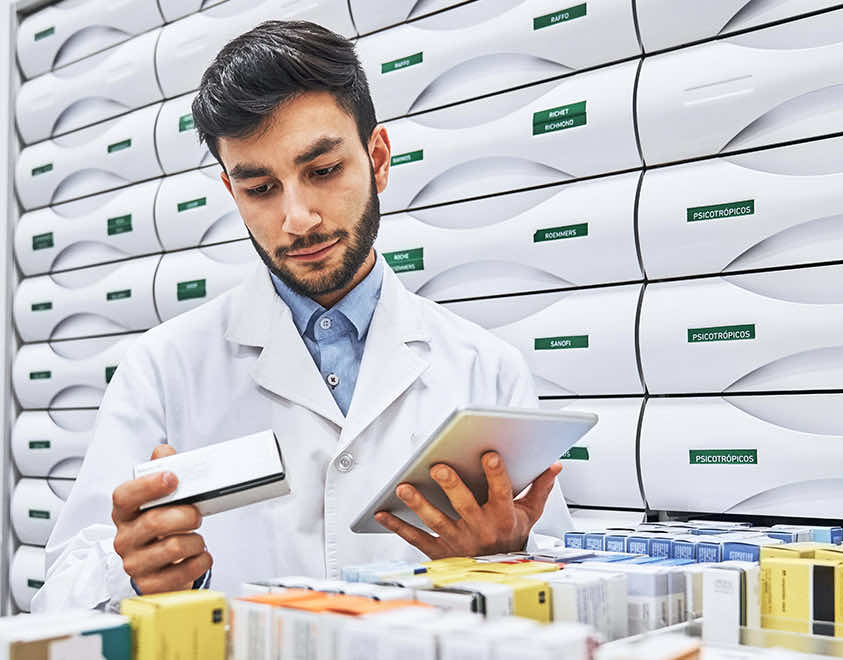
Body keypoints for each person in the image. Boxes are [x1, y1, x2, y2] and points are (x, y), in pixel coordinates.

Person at [32, 20, 571, 612]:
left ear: (378, 159)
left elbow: (565, 600)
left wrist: (501, 563)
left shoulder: (485, 368)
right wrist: (133, 577)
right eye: (261, 187)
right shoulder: (164, 369)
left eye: (322, 171)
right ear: (232, 191)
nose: (298, 218)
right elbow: (59, 594)